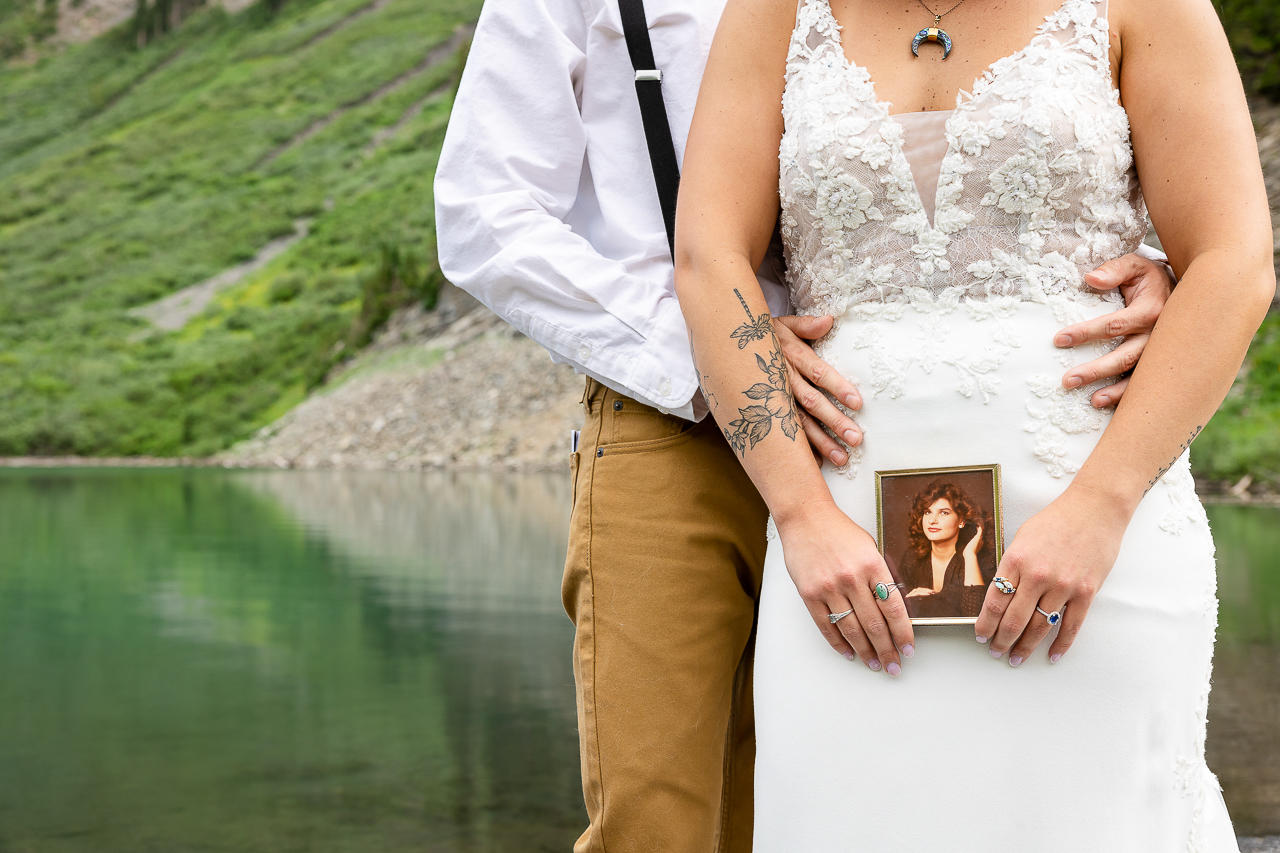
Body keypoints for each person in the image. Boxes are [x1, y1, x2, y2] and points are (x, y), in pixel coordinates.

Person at [433, 0, 1180, 849]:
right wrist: (711, 353)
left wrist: (1142, 261)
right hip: (676, 423)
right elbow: (482, 209)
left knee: (890, 787)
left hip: (890, 429)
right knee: (661, 817)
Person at [675, 0, 1274, 846]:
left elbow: (1233, 262)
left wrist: (1101, 507)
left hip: (1095, 518)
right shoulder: (775, 12)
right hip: (839, 545)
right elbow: (708, 261)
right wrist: (802, 515)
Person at [897, 482, 995, 618]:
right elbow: (897, 610)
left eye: (944, 513)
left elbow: (974, 615)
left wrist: (970, 555)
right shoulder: (912, 558)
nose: (932, 520)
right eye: (927, 512)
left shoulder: (980, 559)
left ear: (961, 520)